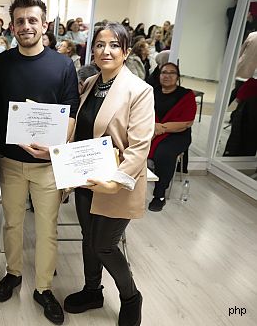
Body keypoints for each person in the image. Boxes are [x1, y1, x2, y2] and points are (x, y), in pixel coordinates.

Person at [0, 0, 79, 325]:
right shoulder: (2, 63)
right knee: (12, 222)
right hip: (10, 162)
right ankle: (13, 273)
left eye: (32, 20)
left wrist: (55, 146)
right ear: (12, 26)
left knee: (47, 229)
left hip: (48, 165)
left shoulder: (62, 65)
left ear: (45, 25)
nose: (26, 26)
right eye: (20, 21)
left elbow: (69, 109)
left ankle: (43, 288)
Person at [63, 22, 153, 326]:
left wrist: (115, 181)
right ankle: (92, 291)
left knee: (104, 244)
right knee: (89, 239)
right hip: (86, 178)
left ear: (126, 51)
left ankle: (130, 296)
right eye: (100, 44)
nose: (106, 50)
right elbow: (80, 129)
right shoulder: (90, 85)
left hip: (116, 184)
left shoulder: (139, 91)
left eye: (114, 45)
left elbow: (139, 148)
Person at [147, 62, 196, 211]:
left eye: (172, 73)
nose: (167, 76)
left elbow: (187, 122)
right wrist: (153, 128)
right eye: (163, 72)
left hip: (177, 134)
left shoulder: (186, 95)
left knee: (164, 152)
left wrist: (160, 128)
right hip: (151, 130)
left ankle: (159, 195)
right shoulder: (151, 92)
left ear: (177, 77)